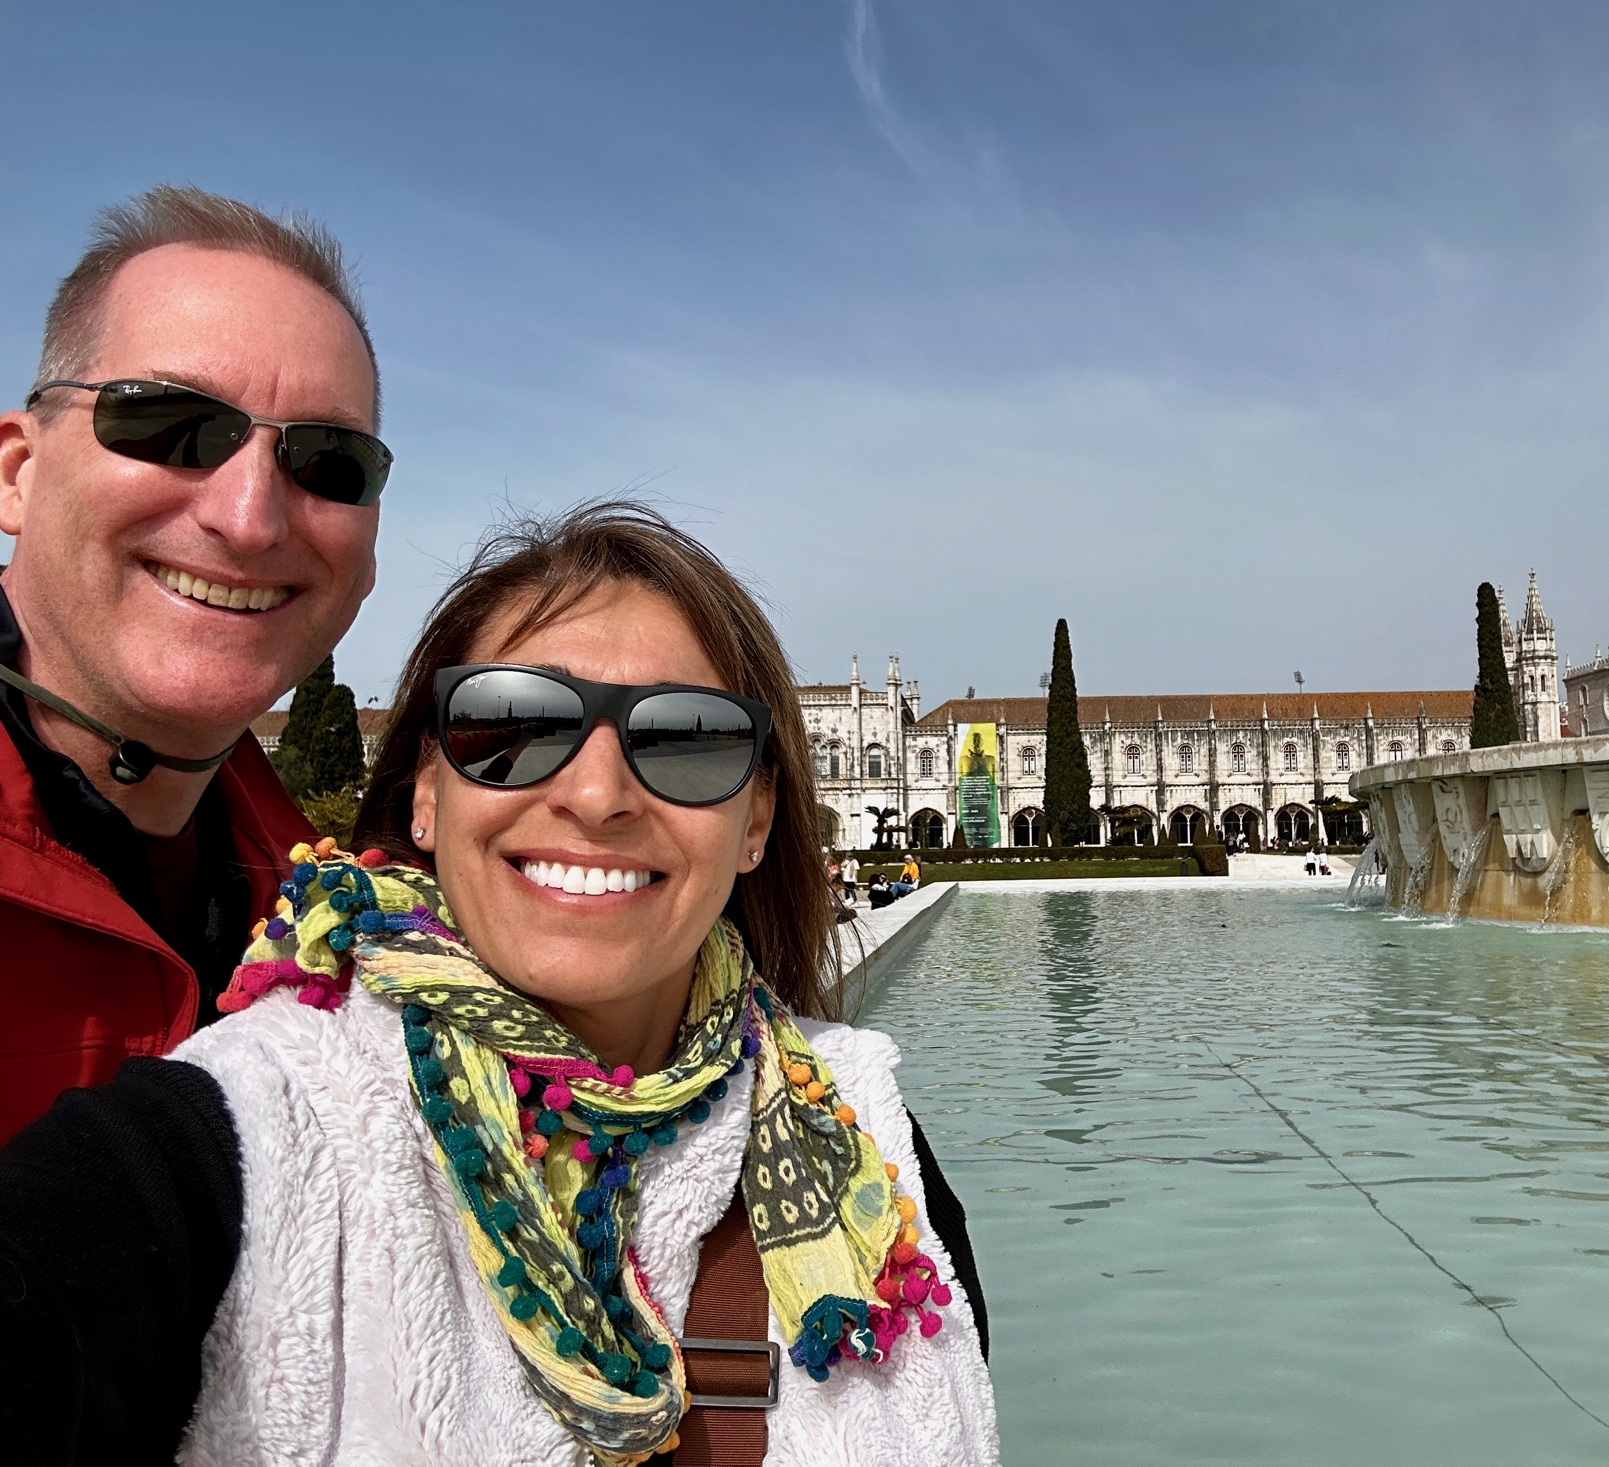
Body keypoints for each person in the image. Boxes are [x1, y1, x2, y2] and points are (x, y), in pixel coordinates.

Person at [0, 503, 994, 1463]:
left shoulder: (866, 1133)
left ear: (758, 821)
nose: (597, 796)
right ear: (425, 792)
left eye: (685, 740)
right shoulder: (244, 1135)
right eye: (510, 729)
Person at [0, 186, 388, 1144]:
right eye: (171, 425)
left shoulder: (350, 930)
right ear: (18, 471)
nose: (249, 518)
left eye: (328, 462)